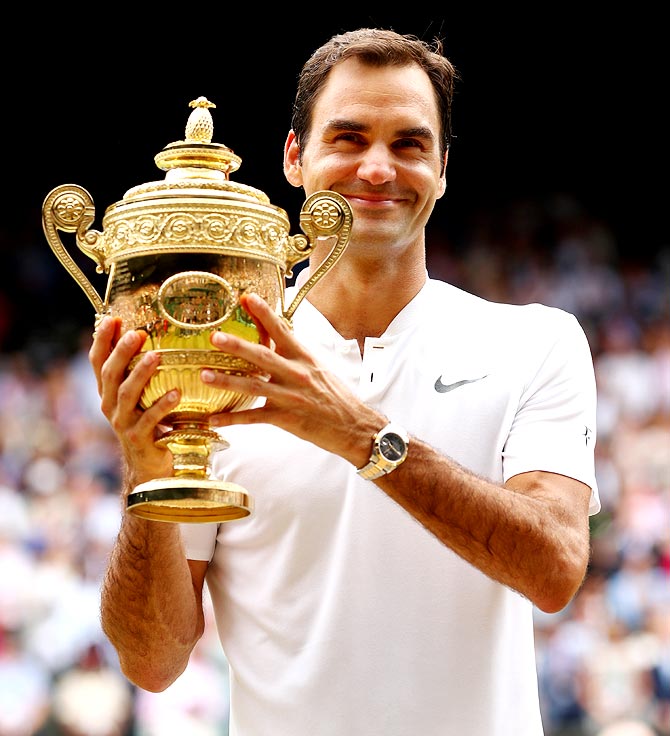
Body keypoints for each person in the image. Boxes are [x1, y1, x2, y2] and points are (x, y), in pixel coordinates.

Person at [90, 27, 601, 736]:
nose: (379, 168)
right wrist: (143, 472)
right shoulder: (218, 359)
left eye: (409, 144)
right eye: (349, 137)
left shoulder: (534, 341)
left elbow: (555, 570)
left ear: (444, 168)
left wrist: (361, 437)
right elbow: (153, 661)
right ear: (295, 157)